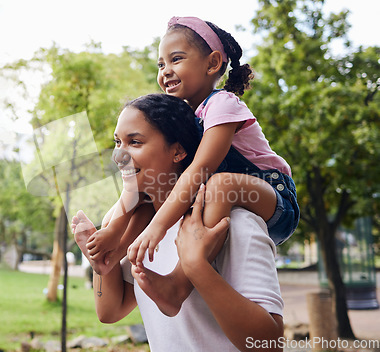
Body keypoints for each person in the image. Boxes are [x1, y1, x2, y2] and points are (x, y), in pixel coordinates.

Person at [87, 16, 299, 316]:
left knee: (219, 184)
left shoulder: (223, 105)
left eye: (176, 59)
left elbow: (200, 169)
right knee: (158, 189)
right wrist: (112, 233)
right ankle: (116, 252)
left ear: (212, 63)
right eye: (161, 64)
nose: (166, 71)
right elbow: (138, 191)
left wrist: (157, 228)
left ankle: (178, 283)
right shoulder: (189, 115)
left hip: (274, 199)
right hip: (225, 196)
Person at [72, 94, 284, 351]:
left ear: (178, 151)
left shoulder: (233, 224)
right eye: (117, 142)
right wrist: (100, 263)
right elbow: (110, 312)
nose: (119, 155)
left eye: (135, 142)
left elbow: (270, 344)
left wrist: (196, 266)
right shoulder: (140, 229)